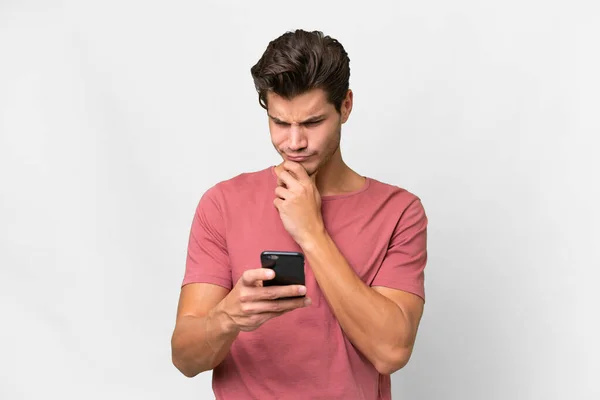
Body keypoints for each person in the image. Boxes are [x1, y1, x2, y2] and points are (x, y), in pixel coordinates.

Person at [170, 29, 428, 399]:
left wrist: (312, 233)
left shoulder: (399, 212)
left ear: (346, 106)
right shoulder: (222, 203)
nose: (294, 143)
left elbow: (391, 351)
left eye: (311, 123)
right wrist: (227, 317)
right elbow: (185, 358)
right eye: (280, 123)